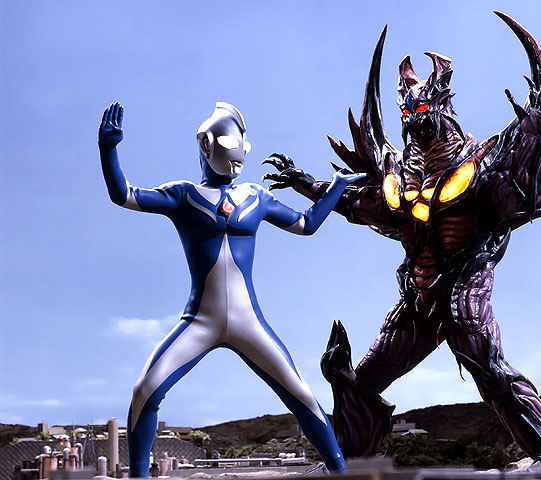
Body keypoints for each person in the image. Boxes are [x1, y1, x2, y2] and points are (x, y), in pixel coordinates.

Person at [98, 101, 362, 476]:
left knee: (302, 395)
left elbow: (306, 224)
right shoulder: (183, 195)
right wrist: (108, 150)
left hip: (248, 322)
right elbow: (123, 194)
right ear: (205, 144)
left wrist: (336, 186)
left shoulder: (256, 196)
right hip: (199, 321)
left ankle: (341, 473)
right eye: (227, 144)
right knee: (144, 391)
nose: (237, 156)